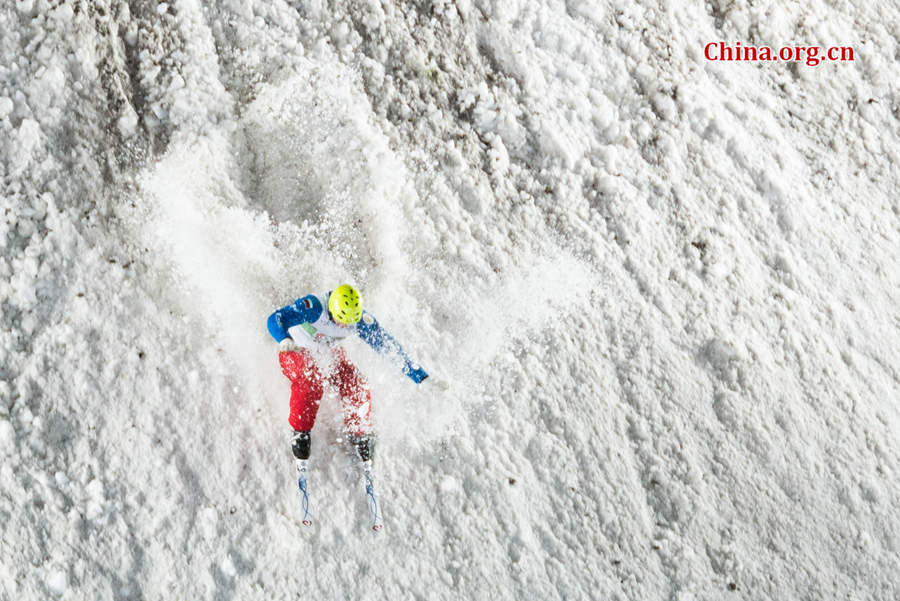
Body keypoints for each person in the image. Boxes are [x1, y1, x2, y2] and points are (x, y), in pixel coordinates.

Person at [267, 284, 431, 471]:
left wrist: (420, 377)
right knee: (311, 380)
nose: (344, 326)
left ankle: (360, 432)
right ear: (332, 310)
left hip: (327, 353)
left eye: (348, 323)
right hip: (295, 350)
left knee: (356, 382)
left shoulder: (359, 319)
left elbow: (387, 346)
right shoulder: (313, 307)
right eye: (340, 321)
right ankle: (300, 432)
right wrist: (283, 339)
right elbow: (275, 319)